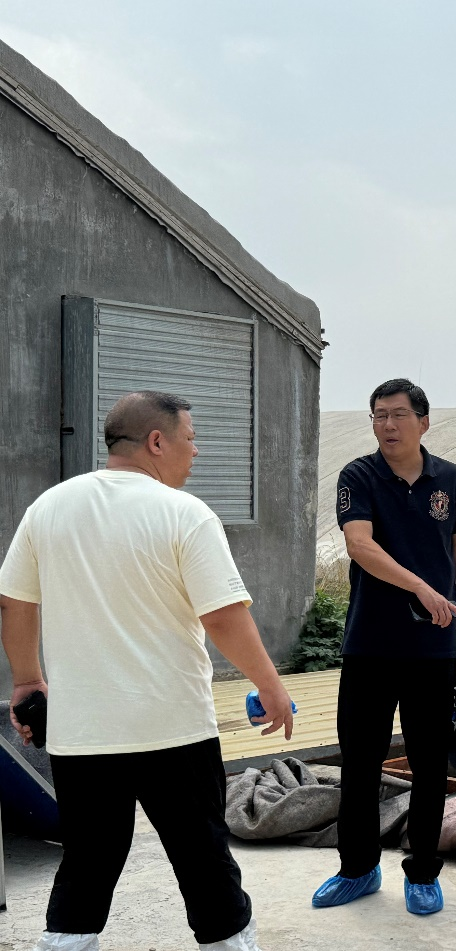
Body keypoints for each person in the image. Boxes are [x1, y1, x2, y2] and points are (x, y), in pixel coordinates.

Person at [0, 391, 295, 951]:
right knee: (203, 860)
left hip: (82, 733)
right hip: (173, 730)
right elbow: (223, 616)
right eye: (190, 439)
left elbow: (14, 602)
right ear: (157, 442)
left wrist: (26, 681)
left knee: (87, 864)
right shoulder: (184, 513)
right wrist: (270, 685)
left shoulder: (49, 507)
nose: (196, 451)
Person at [312, 378, 456, 916]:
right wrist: (422, 588)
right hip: (370, 645)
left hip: (433, 648)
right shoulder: (359, 476)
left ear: (423, 422)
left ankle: (423, 872)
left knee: (430, 764)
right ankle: (357, 869)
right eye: (379, 415)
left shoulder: (450, 479)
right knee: (360, 762)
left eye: (398, 414)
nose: (387, 425)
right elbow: (359, 545)